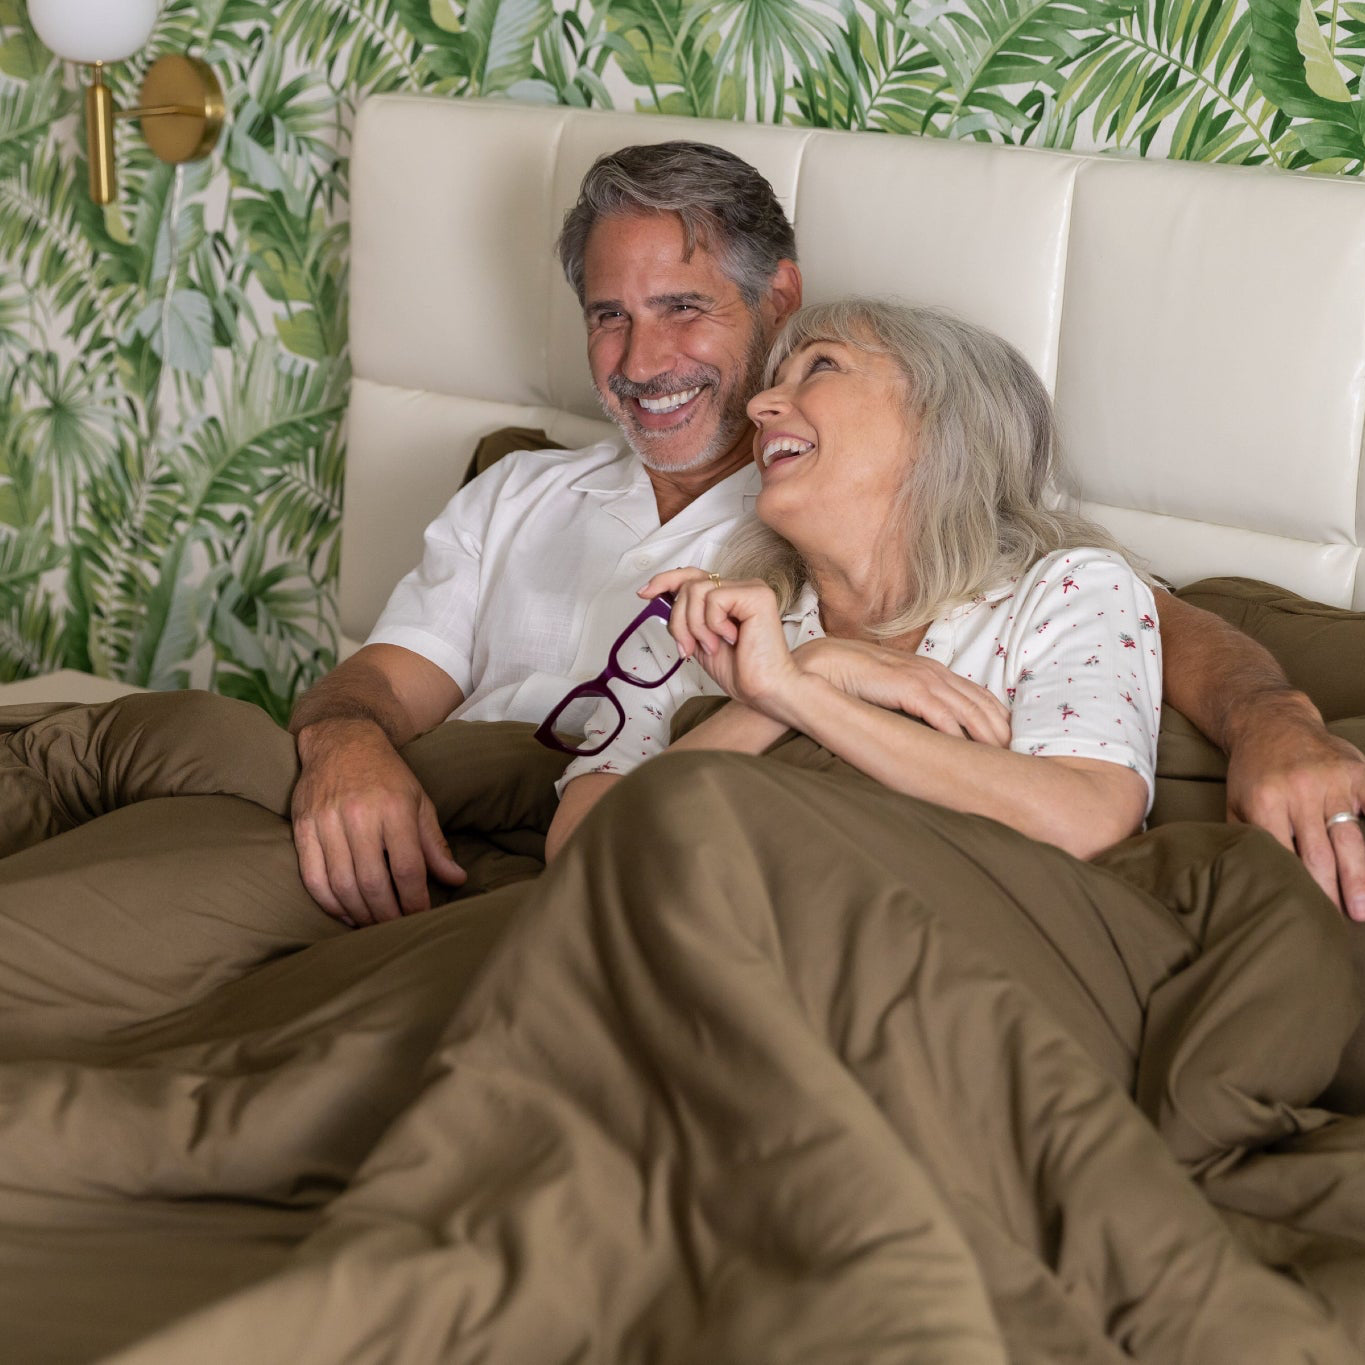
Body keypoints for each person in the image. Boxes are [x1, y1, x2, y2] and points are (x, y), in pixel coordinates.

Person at [288, 141, 1365, 928]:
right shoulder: (597, 527)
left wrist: (1276, 718)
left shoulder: (911, 561)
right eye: (609, 316)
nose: (641, 356)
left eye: (682, 307)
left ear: (779, 301)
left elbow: (1145, 632)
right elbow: (415, 713)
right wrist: (344, 744)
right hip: (483, 835)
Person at [545, 300, 1161, 862]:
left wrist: (800, 690)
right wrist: (799, 680)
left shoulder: (1068, 590)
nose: (759, 408)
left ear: (941, 418)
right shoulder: (701, 623)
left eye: (820, 367)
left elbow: (1089, 821)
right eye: (771, 385)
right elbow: (576, 857)